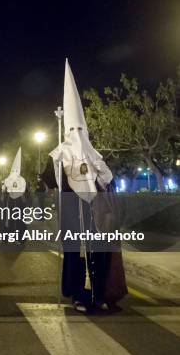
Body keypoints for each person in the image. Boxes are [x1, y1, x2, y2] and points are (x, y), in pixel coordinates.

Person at [42, 60, 126, 313]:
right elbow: (51, 182)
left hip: (96, 212)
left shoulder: (93, 153)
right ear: (67, 129)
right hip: (72, 211)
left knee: (98, 254)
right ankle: (79, 295)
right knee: (76, 255)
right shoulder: (58, 153)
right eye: (72, 128)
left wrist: (99, 173)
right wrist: (57, 166)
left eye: (81, 128)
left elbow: (107, 178)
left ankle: (98, 295)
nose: (77, 133)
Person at [0, 147, 30, 242]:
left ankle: (19, 237)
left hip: (18, 202)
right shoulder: (7, 179)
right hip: (9, 202)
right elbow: (3, 190)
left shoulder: (22, 180)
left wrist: (13, 192)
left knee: (19, 219)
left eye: (16, 171)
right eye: (13, 171)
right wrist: (4, 186)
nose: (15, 173)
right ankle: (7, 237)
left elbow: (23, 190)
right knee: (8, 219)